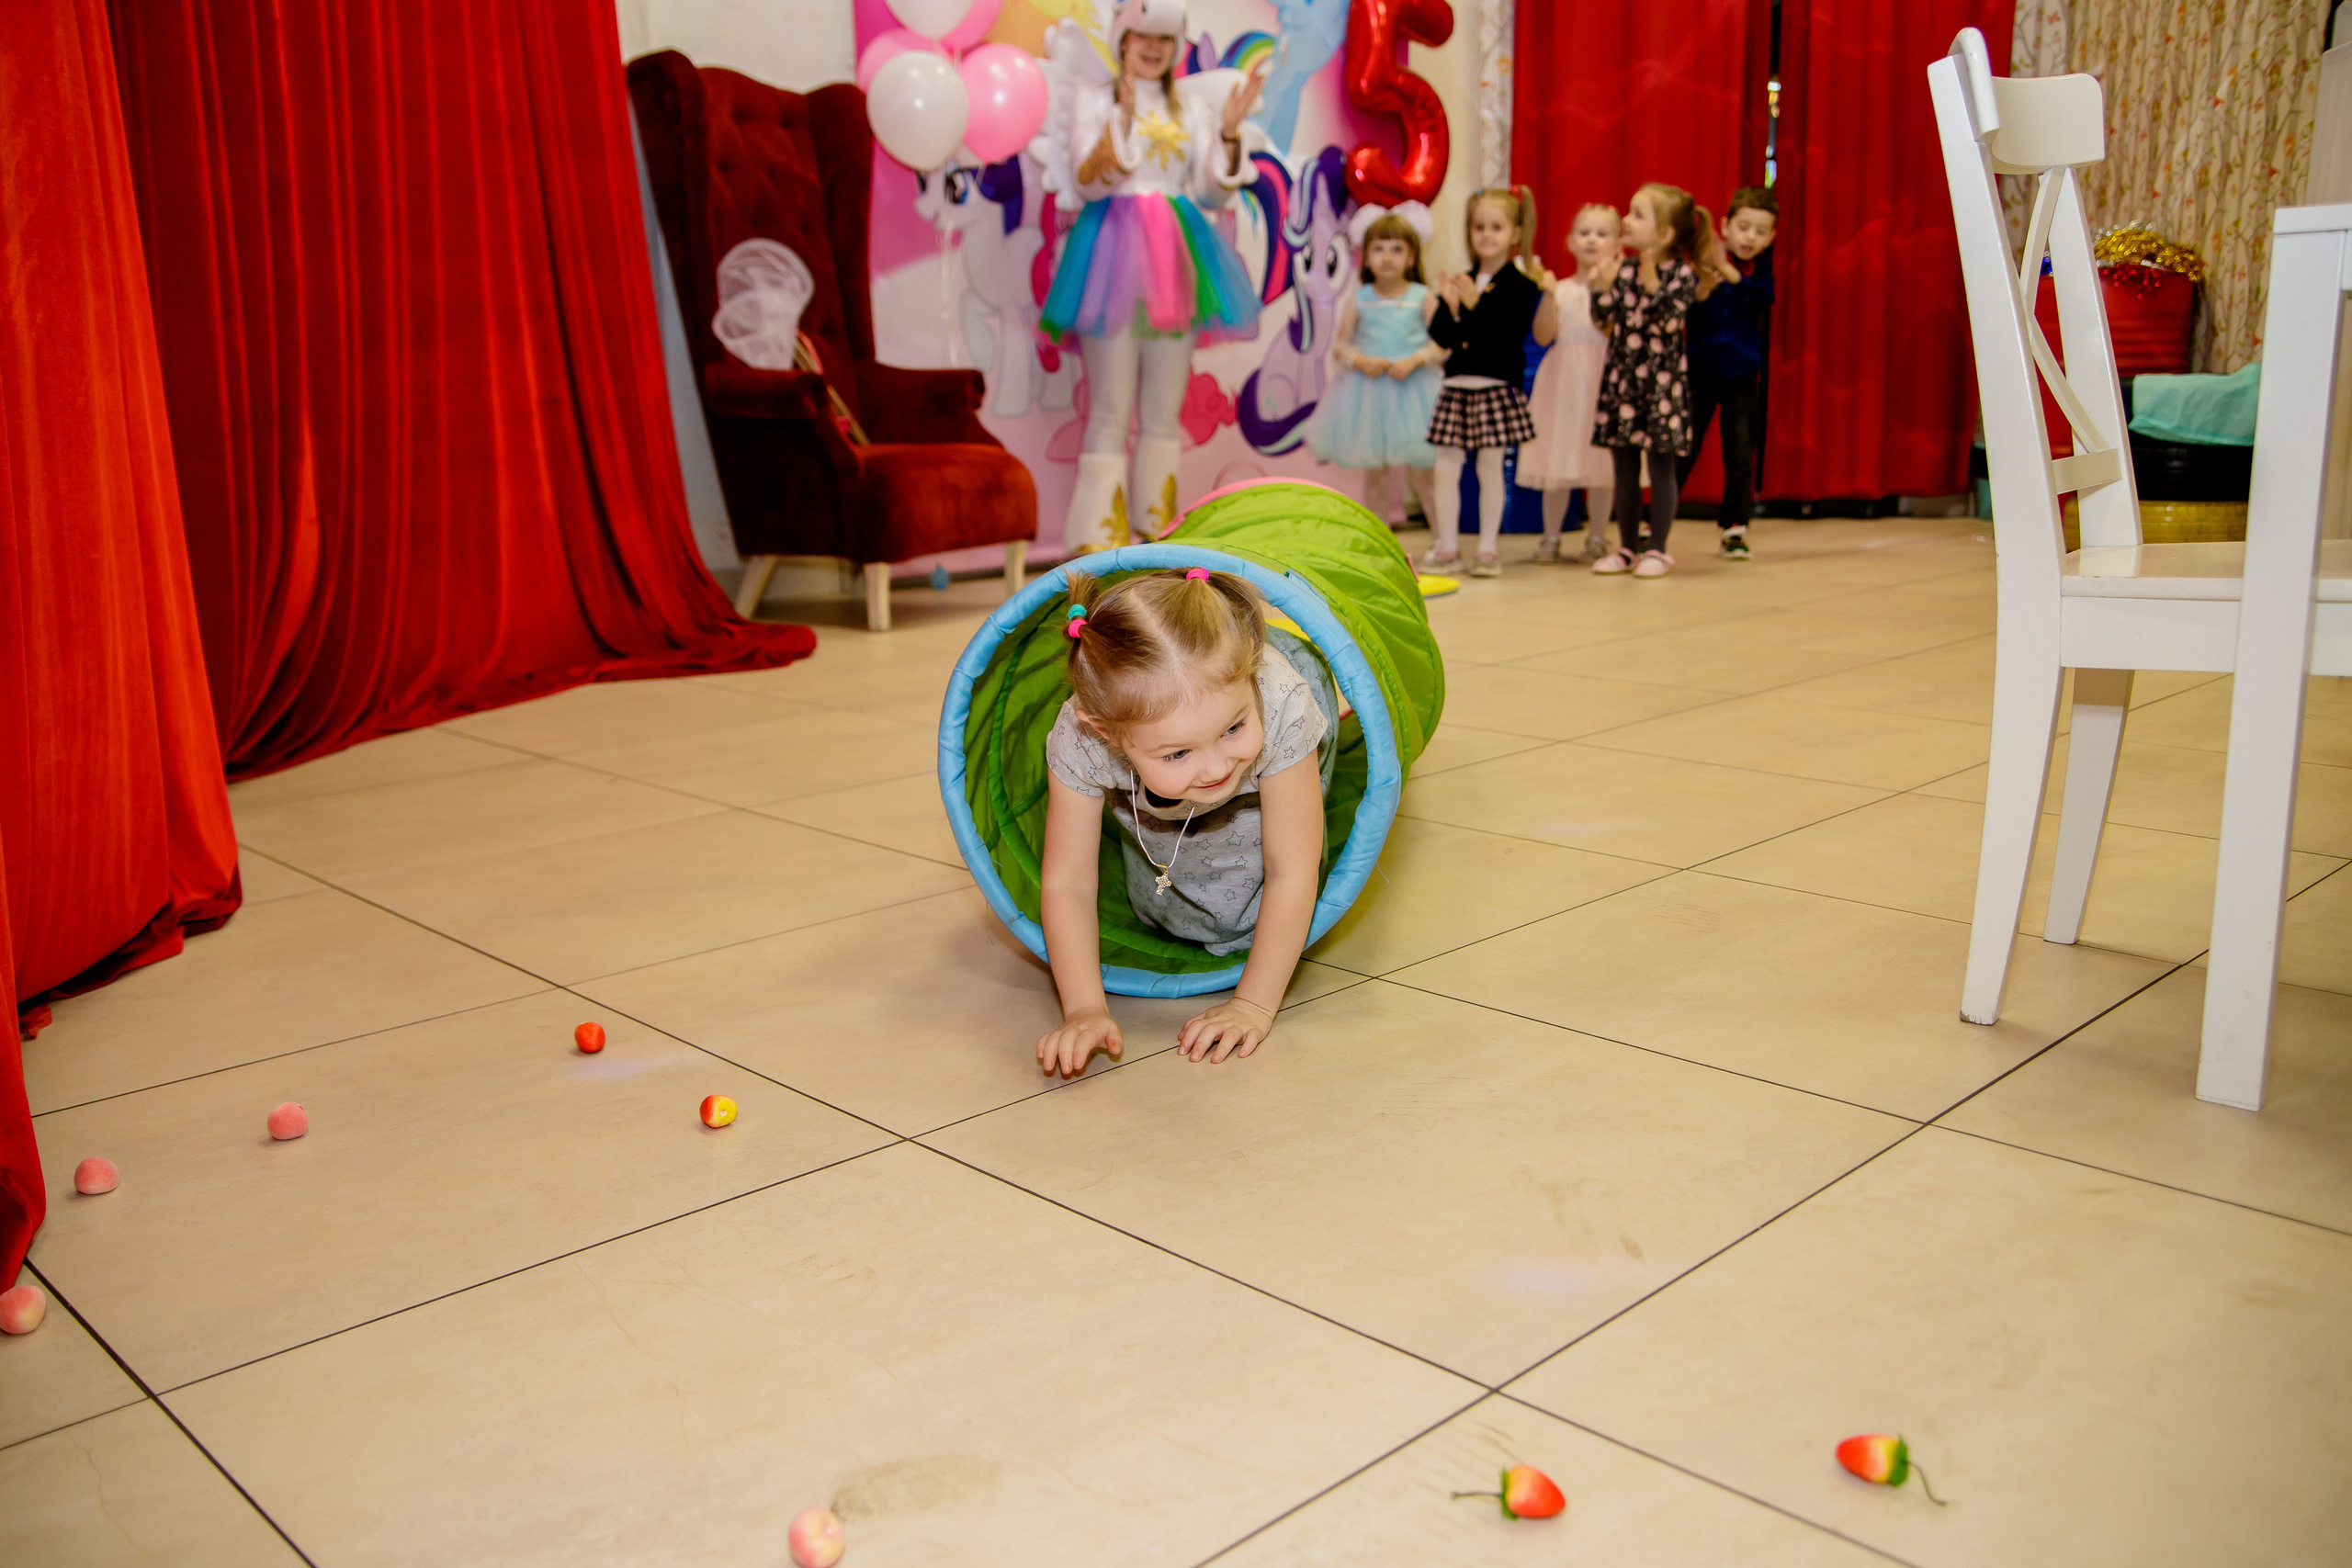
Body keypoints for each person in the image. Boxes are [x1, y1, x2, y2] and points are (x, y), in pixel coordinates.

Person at [1035, 568, 1336, 1077]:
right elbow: (1067, 881)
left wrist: (1254, 1005)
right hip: (1175, 743)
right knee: (1162, 877)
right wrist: (1084, 1008)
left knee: (1271, 829)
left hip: (1282, 705)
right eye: (1177, 753)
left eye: (1231, 729)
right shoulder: (1080, 739)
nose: (1217, 767)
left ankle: (1311, 707)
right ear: (1105, 733)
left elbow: (1293, 866)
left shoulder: (1280, 700)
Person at [1041, 1, 1269, 554]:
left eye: (1164, 39)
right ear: (1122, 40)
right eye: (1142, 35)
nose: (1153, 47)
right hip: (1109, 259)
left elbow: (1211, 193)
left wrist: (1229, 135)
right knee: (1111, 407)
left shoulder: (1189, 108)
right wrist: (1118, 122)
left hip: (1176, 261)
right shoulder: (1096, 100)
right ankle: (1095, 542)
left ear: (1176, 47)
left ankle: (1157, 536)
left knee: (1164, 412)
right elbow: (1087, 181)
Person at [1422, 186, 1559, 578]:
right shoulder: (1464, 279)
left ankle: (1486, 549)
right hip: (1456, 387)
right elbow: (1444, 337)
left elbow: (1508, 333)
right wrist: (1448, 306)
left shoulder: (1521, 284)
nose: (1486, 234)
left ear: (1515, 233)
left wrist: (1472, 304)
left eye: (1496, 227)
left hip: (1494, 387)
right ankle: (1448, 548)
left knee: (1490, 467)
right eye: (1478, 226)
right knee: (1445, 467)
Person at [1588, 183, 1719, 579]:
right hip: (1624, 384)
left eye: (1638, 215)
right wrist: (1604, 285)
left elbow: (1666, 320)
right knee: (1624, 470)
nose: (1626, 221)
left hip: (1661, 388)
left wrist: (1650, 282)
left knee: (1661, 469)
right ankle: (1627, 546)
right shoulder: (1623, 269)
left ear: (1665, 234)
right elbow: (1604, 320)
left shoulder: (1681, 274)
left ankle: (1658, 549)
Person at [1305, 203, 1443, 532]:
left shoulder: (1422, 297)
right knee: (1375, 473)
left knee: (1424, 471)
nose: (1387, 257)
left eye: (1397, 249)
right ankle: (1381, 540)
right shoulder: (1361, 298)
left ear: (1411, 257)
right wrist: (1362, 361)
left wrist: (1414, 359)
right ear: (1365, 257)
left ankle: (1443, 540)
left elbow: (1442, 344)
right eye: (1378, 249)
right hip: (1369, 396)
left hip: (1415, 392)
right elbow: (1340, 345)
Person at [1675, 186, 1778, 560]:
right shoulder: (1702, 261)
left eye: (1760, 231)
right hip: (1700, 372)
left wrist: (1731, 273)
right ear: (1726, 226)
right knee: (1683, 450)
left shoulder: (1758, 270)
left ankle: (1735, 529)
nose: (1750, 237)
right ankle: (1656, 525)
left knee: (1739, 456)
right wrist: (1709, 277)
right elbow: (1690, 311)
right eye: (1744, 227)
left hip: (1741, 376)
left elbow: (1762, 299)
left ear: (1771, 237)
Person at [1516, 203, 1620, 563]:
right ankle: (1551, 536)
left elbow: (1610, 330)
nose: (1592, 240)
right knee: (1555, 459)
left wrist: (1602, 287)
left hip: (1602, 380)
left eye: (1602, 233)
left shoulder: (1619, 288)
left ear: (1618, 243)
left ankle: (1597, 537)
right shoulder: (1558, 288)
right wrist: (1545, 294)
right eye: (1585, 233)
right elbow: (1544, 336)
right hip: (1562, 382)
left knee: (1603, 464)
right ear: (1570, 241)